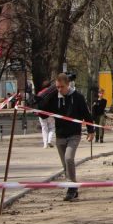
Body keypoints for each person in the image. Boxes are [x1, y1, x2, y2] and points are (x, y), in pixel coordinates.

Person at [36, 73, 94, 201]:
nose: (59, 89)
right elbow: (43, 114)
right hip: (60, 135)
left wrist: (91, 130)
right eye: (57, 87)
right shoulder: (54, 98)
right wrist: (45, 98)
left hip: (74, 134)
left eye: (61, 87)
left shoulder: (77, 97)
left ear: (68, 85)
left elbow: (86, 113)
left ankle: (71, 188)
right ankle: (73, 187)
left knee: (69, 158)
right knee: (65, 165)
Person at [36, 80, 57, 148]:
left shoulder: (40, 93)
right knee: (52, 128)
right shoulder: (52, 93)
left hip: (41, 114)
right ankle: (49, 140)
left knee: (44, 128)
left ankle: (45, 144)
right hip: (50, 113)